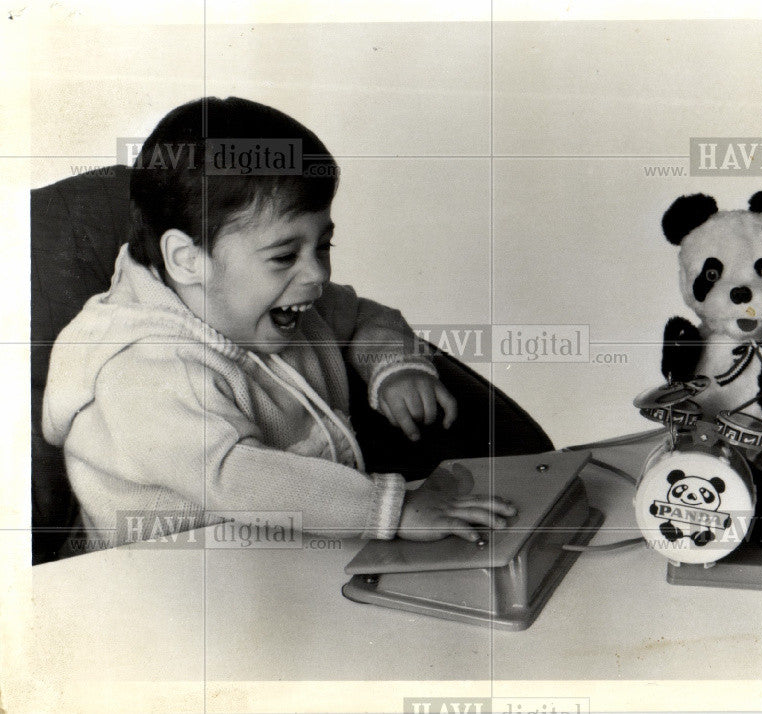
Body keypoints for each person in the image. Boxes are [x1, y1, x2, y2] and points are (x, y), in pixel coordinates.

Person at [41, 96, 514, 551]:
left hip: (280, 554)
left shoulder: (280, 303)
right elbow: (237, 478)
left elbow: (365, 317)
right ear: (188, 260)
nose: (317, 275)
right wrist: (396, 510)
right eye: (285, 255)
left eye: (323, 246)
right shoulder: (146, 368)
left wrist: (395, 366)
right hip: (155, 582)